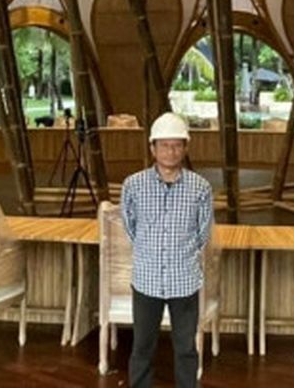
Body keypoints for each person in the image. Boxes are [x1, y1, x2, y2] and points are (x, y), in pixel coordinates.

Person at [120, 112, 214, 388]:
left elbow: (203, 232)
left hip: (184, 279)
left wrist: (179, 253)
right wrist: (151, 250)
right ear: (152, 148)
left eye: (176, 145)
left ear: (185, 148)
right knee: (142, 347)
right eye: (164, 145)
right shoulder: (133, 185)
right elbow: (130, 226)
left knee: (186, 348)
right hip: (146, 278)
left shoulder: (200, 187)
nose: (170, 151)